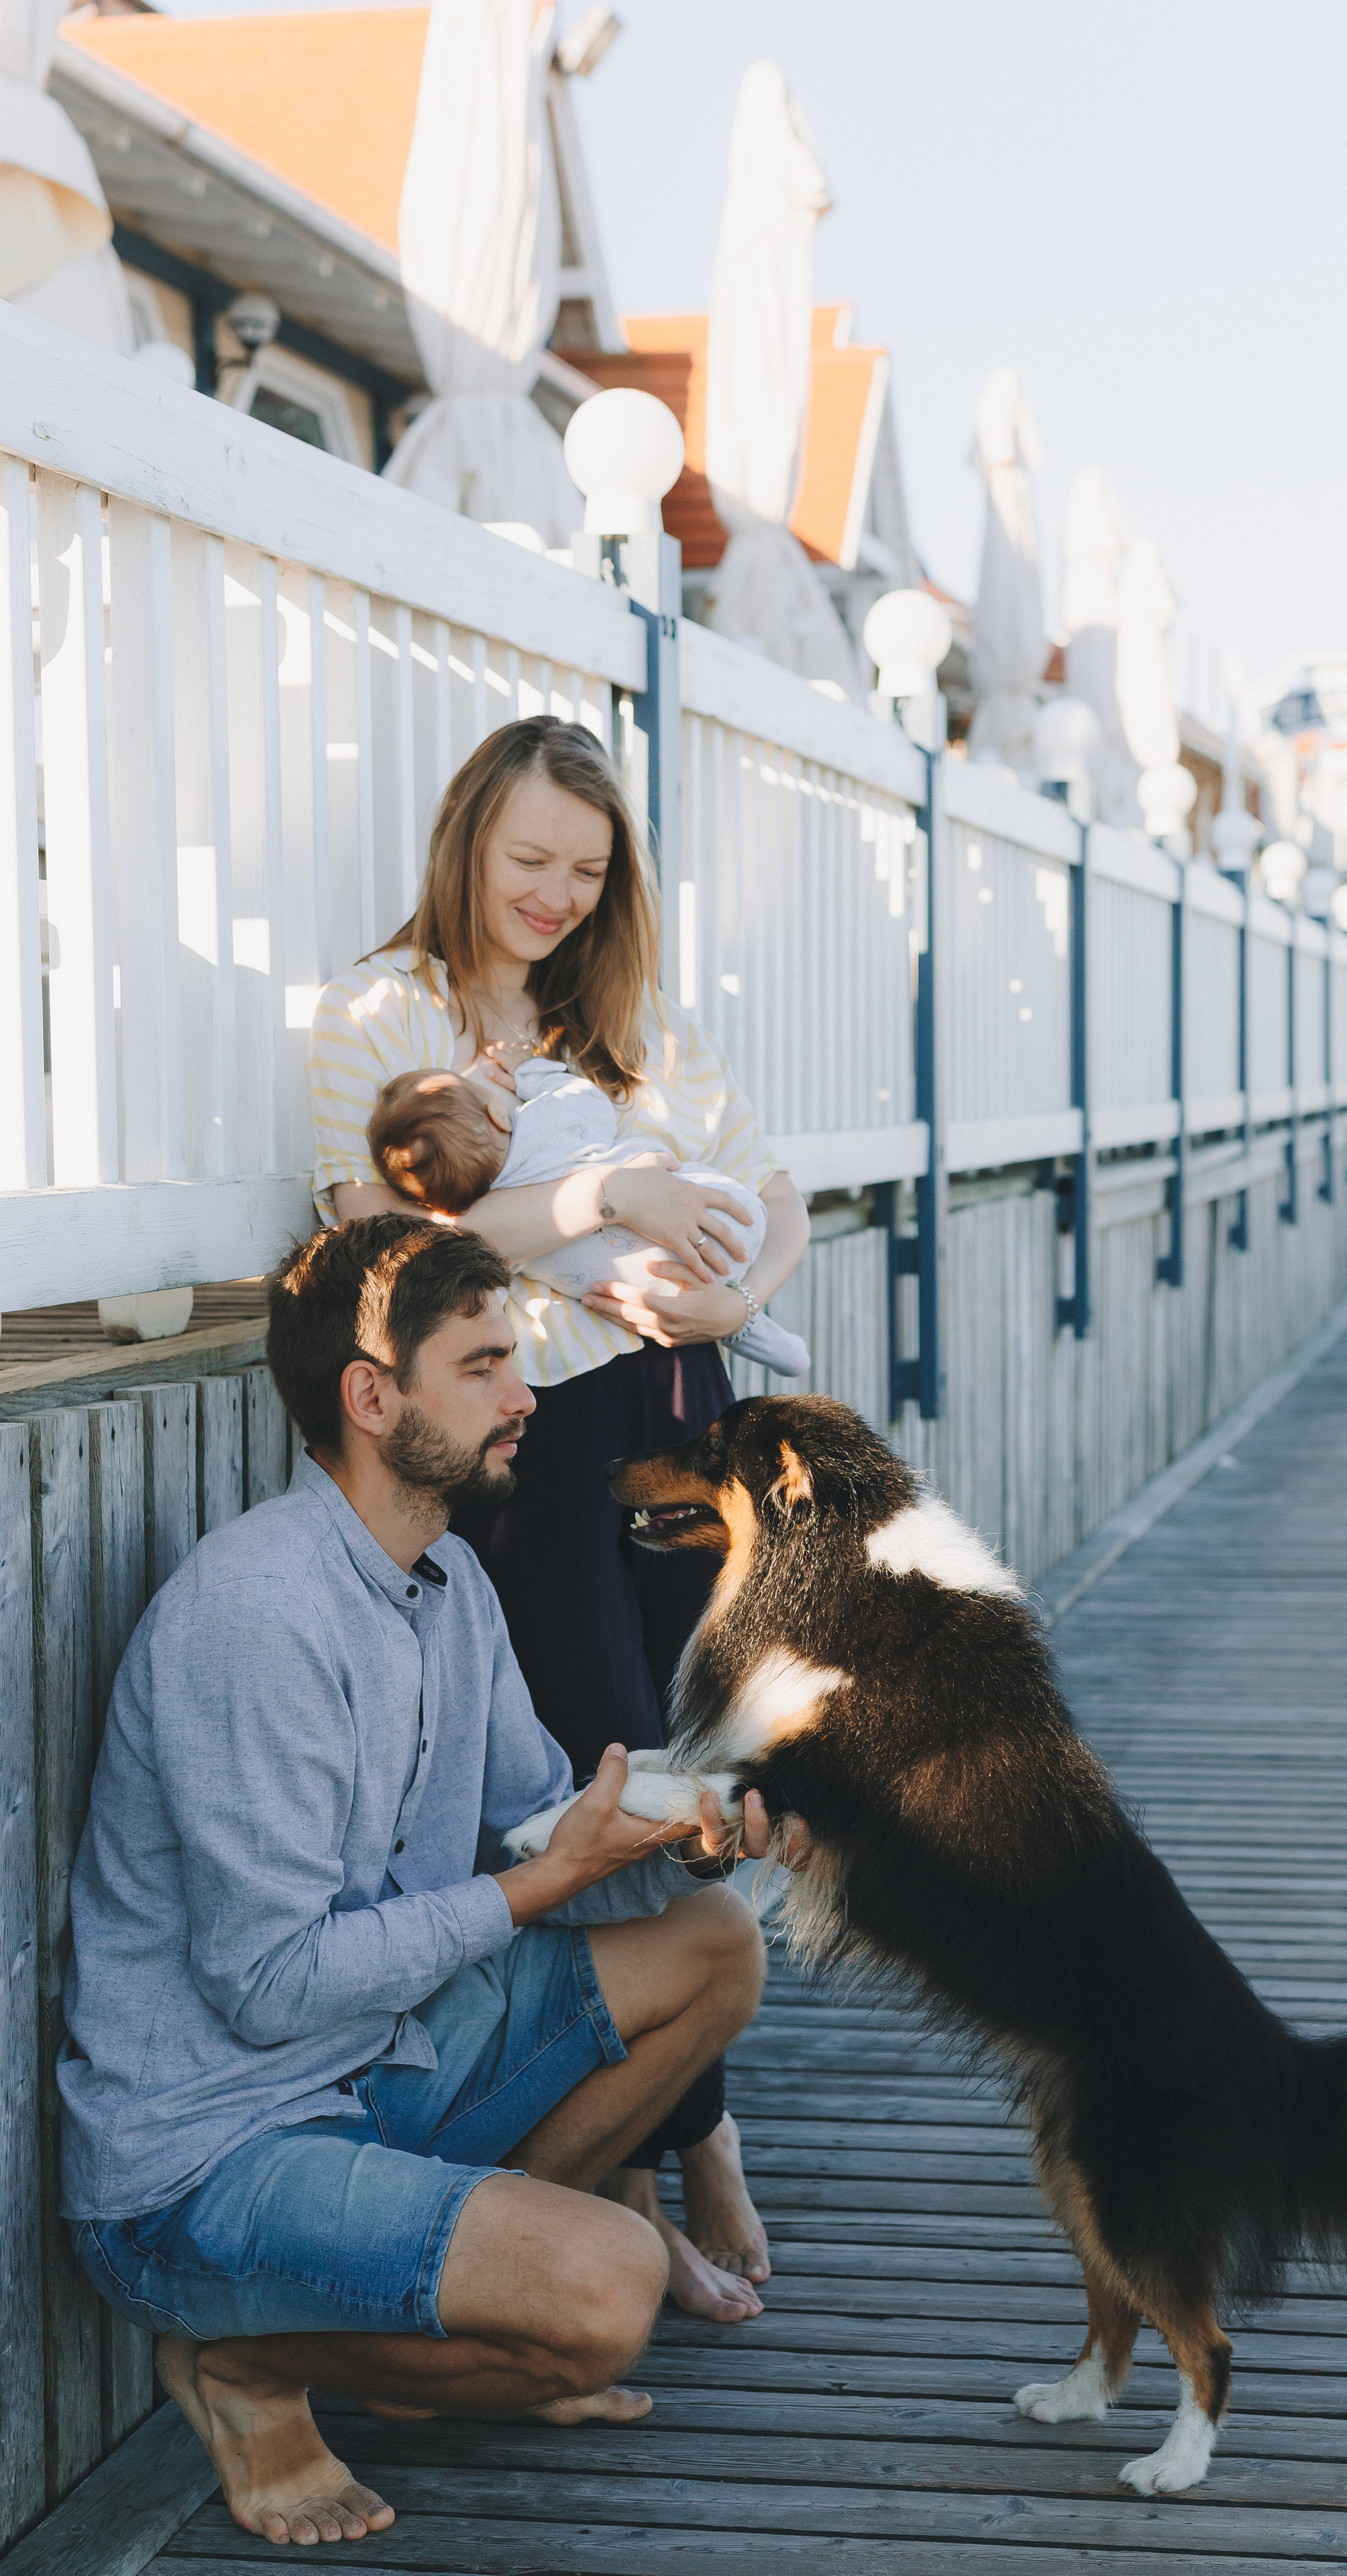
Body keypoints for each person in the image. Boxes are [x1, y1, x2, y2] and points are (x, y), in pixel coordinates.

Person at [59, 1216, 775, 2549]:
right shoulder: (256, 1618)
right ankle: (250, 2367)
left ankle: (449, 2304)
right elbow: (270, 1986)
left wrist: (666, 1842)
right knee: (611, 2297)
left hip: (371, 2061)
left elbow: (530, 1835)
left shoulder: (447, 1578)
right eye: (487, 1367)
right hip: (208, 2158)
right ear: (371, 1396)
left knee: (713, 1939)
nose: (526, 1399)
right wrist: (530, 1890)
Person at [309, 716, 809, 2320]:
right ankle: (673, 2152)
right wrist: (604, 1199)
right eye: (528, 858)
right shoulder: (380, 1014)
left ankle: (678, 2132)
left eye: (584, 870)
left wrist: (742, 1276)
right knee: (606, 1775)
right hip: (535, 1426)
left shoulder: (627, 1018)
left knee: (707, 1770)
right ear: (466, 839)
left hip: (689, 1414)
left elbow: (769, 1178)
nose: (553, 894)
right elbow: (386, 1227)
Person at [365, 1058, 810, 1377]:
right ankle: (760, 1329)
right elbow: (587, 1099)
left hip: (658, 1293)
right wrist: (532, 1073)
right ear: (497, 1113)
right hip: (726, 1222)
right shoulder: (549, 1121)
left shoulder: (500, 1224)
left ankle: (766, 1339)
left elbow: (480, 1266)